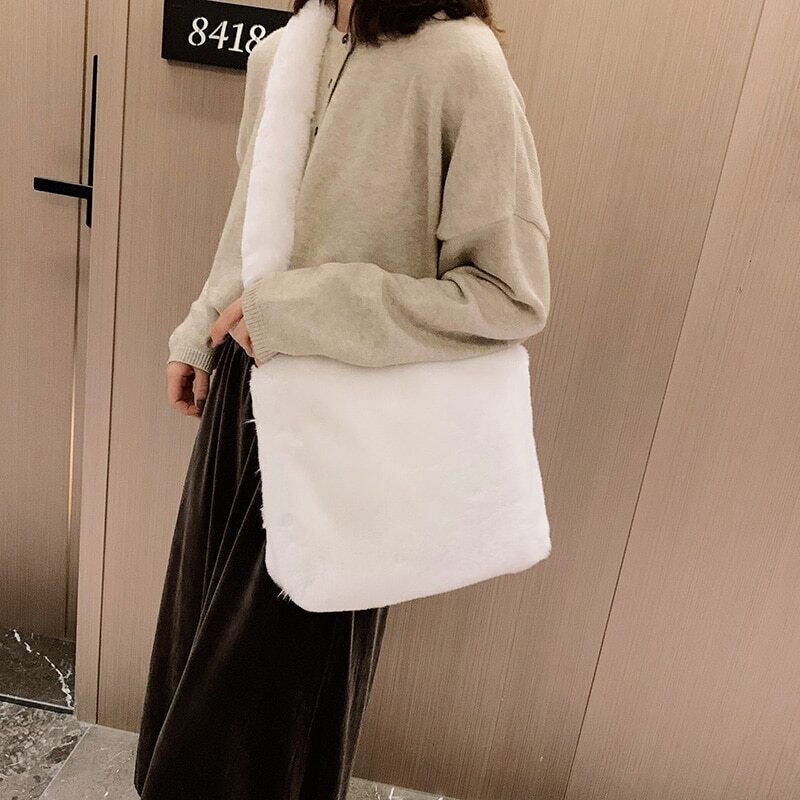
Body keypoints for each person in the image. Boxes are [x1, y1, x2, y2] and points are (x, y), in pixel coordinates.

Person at [134, 0, 551, 797]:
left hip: (349, 434)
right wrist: (199, 329)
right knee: (195, 674)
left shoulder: (459, 63)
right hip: (244, 403)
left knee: (272, 721)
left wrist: (301, 309)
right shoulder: (284, 53)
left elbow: (509, 296)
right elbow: (250, 227)